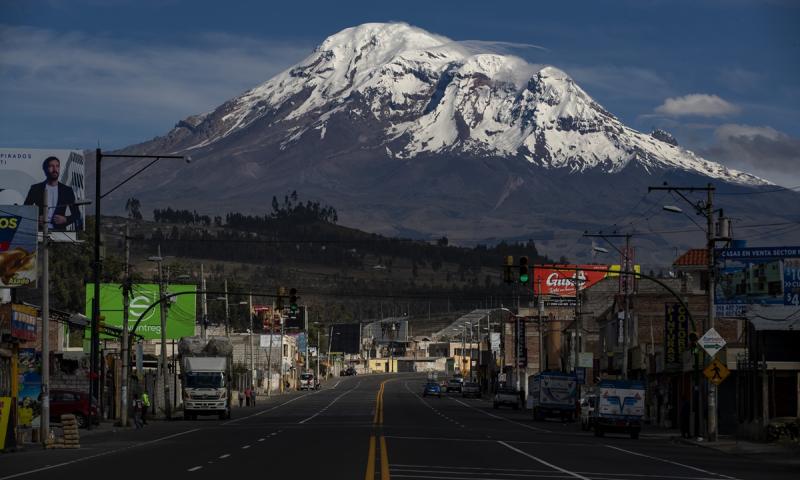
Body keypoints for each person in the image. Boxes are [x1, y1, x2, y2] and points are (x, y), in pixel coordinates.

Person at [23, 155, 82, 231]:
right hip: (39, 231)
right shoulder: (35, 188)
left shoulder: (67, 190)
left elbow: (77, 214)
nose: (55, 169)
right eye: (51, 166)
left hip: (60, 232)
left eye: (57, 166)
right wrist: (36, 218)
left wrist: (65, 219)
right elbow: (25, 210)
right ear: (45, 169)